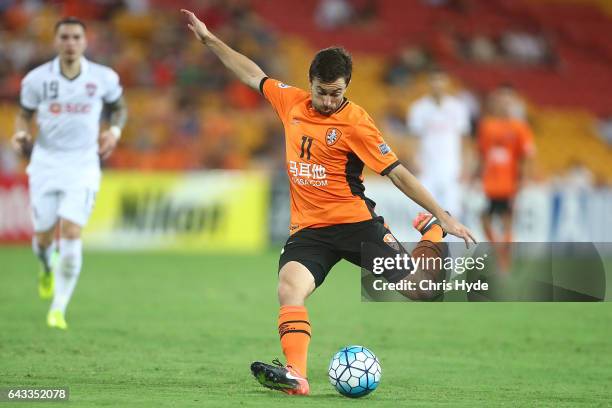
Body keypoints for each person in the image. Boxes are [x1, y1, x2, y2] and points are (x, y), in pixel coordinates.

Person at [181, 9, 475, 396]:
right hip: (310, 230)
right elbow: (252, 73)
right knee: (289, 288)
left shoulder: (356, 122)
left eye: (336, 93)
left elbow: (398, 173)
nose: (327, 100)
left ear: (346, 86)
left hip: (356, 225)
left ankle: (431, 233)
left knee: (425, 290)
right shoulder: (290, 103)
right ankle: (296, 376)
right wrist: (209, 39)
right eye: (322, 91)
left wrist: (443, 217)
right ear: (311, 83)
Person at [11, 17, 127, 330]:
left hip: (83, 164)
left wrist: (114, 131)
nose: (70, 42)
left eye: (76, 37)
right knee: (44, 236)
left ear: (85, 42)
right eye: (64, 37)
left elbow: (119, 108)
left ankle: (58, 309)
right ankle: (46, 266)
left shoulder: (102, 77)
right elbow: (23, 116)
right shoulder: (37, 79)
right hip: (46, 163)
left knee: (72, 232)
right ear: (56, 41)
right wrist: (20, 135)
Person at [477, 84, 535, 267]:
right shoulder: (487, 126)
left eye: (507, 100)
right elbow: (482, 154)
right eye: (500, 99)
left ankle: (504, 260)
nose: (503, 103)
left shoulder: (519, 128)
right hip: (490, 183)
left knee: (505, 220)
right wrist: (473, 176)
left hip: (508, 183)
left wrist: (524, 179)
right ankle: (500, 253)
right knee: (486, 219)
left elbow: (527, 155)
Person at [408, 68, 470, 218]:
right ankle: (429, 241)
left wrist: (466, 165)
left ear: (447, 83)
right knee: (425, 210)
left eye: (441, 80)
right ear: (429, 83)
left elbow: (465, 139)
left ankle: (451, 241)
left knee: (453, 209)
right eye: (434, 80)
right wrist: (414, 160)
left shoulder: (458, 107)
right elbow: (413, 137)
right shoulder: (419, 108)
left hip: (451, 166)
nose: (437, 84)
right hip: (427, 166)